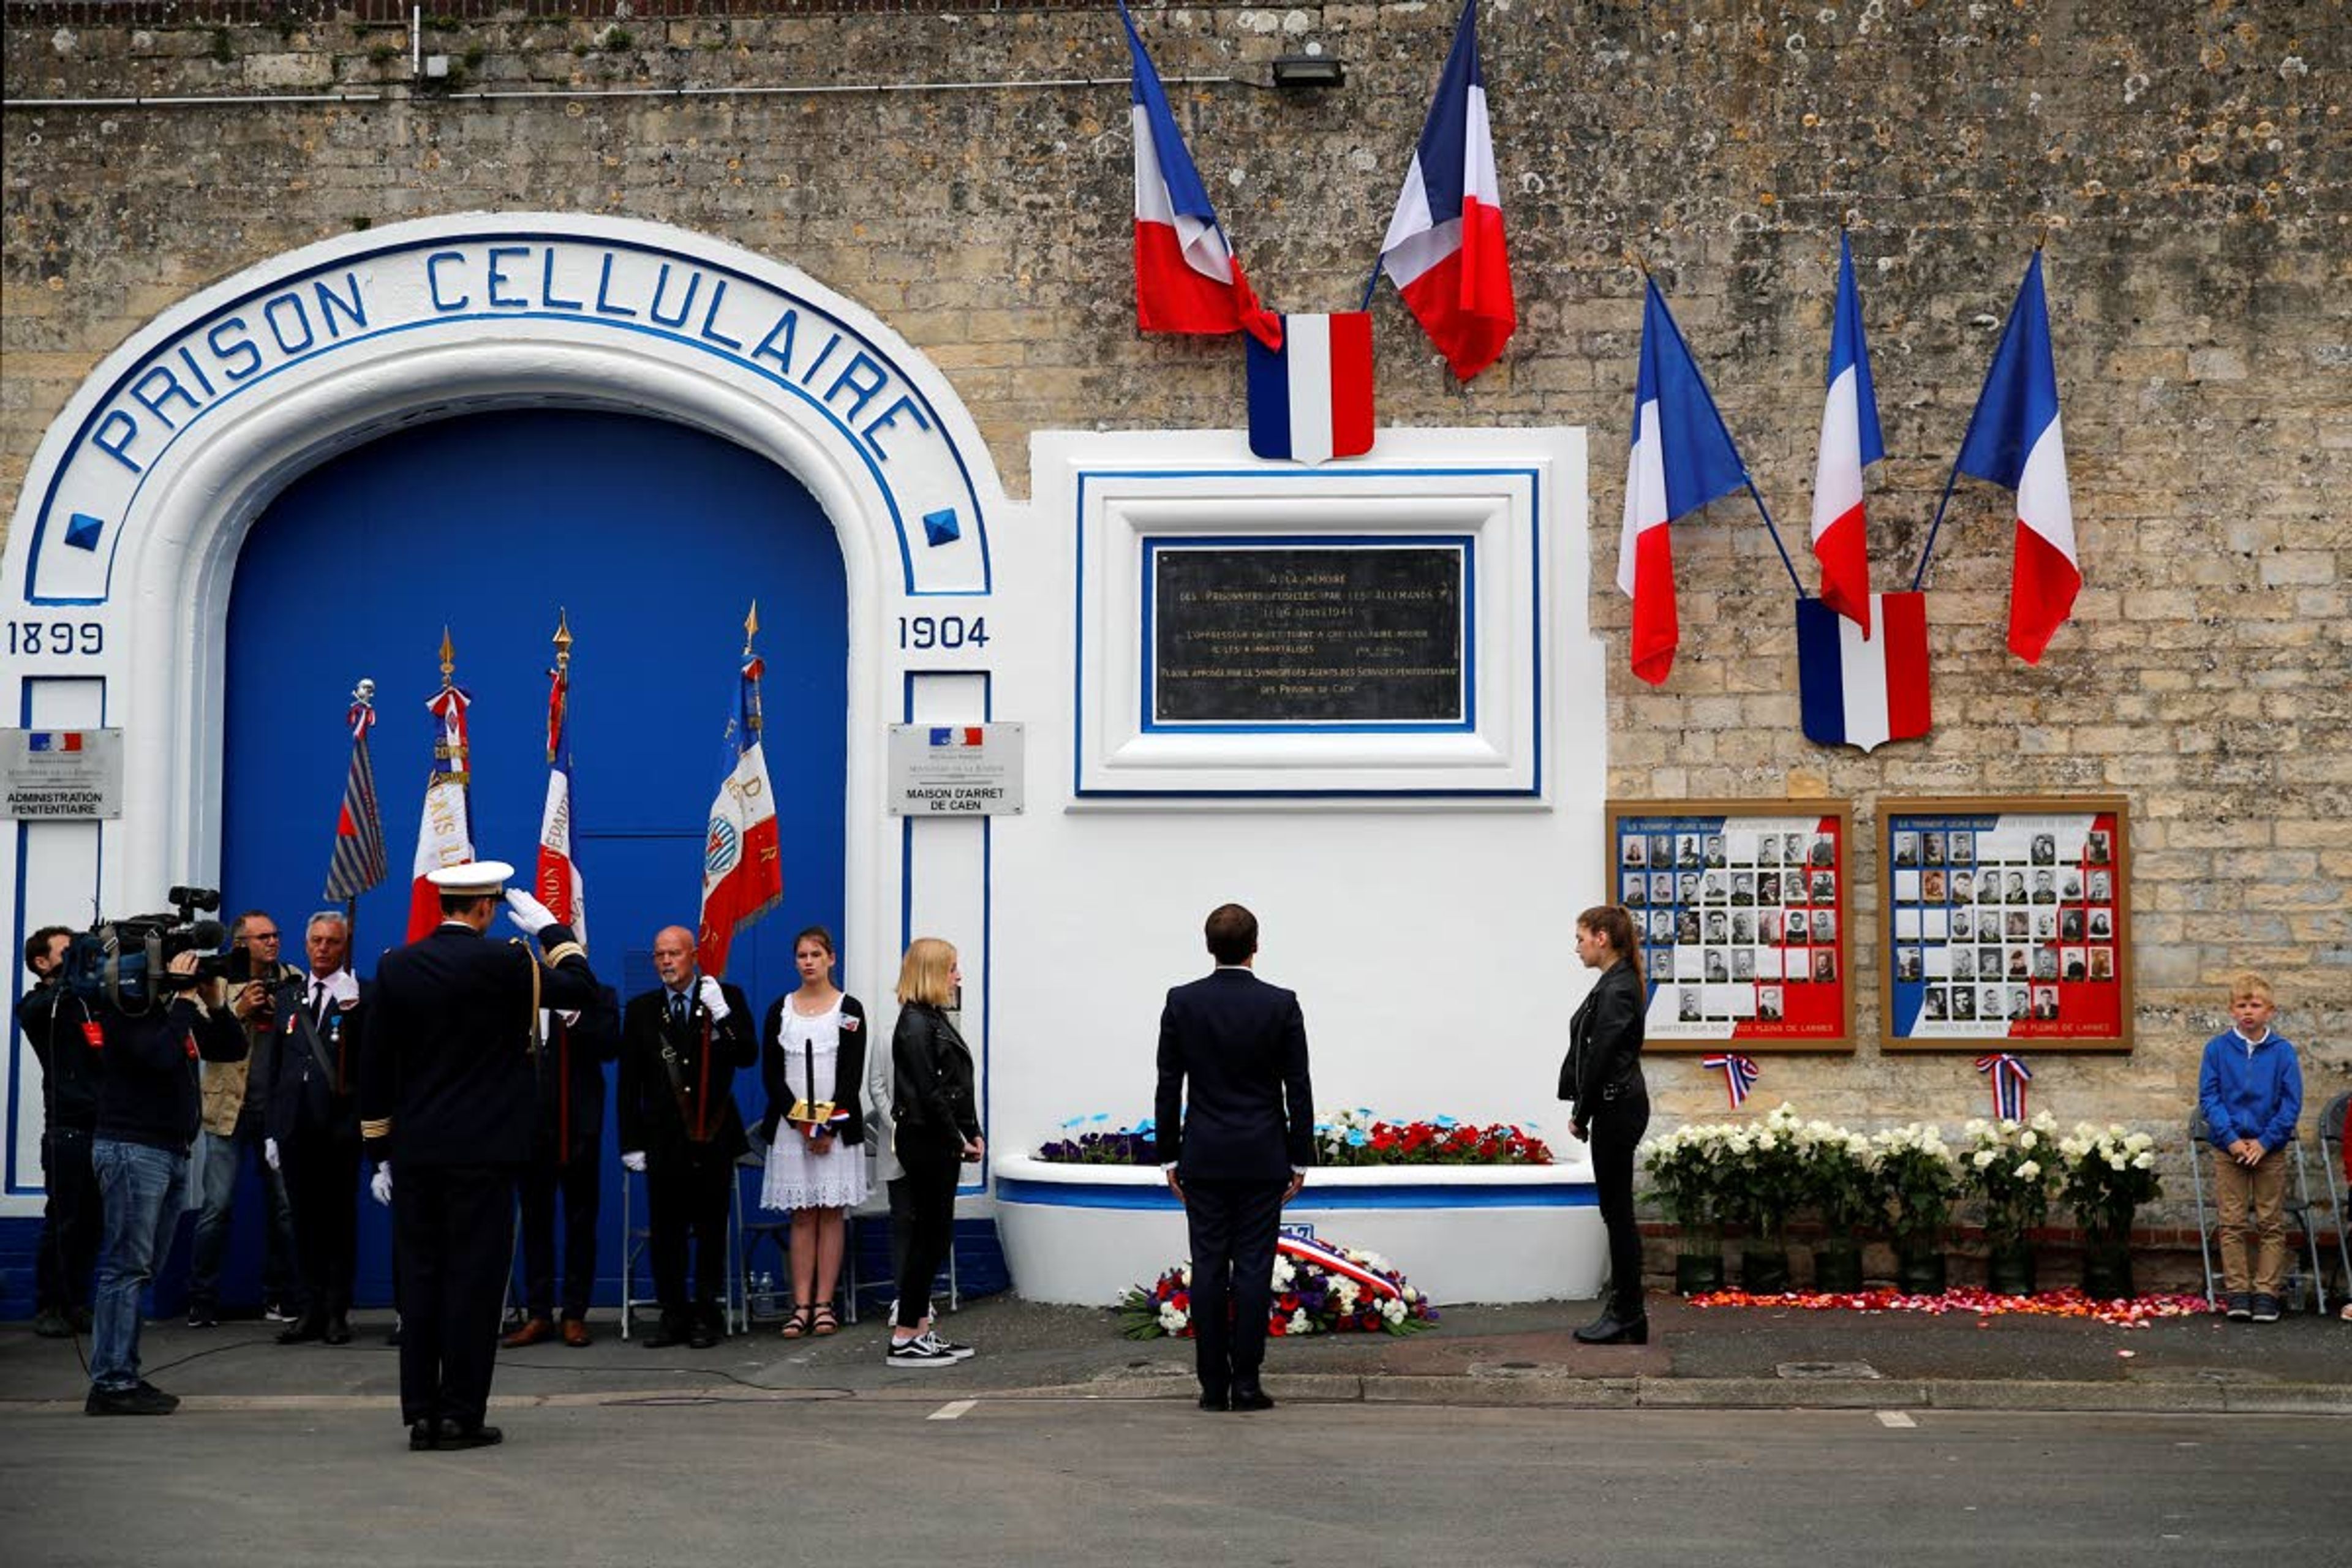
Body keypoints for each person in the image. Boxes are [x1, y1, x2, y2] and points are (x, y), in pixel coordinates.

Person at [360, 862, 600, 1451]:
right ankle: (461, 1415)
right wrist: (552, 931)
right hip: (486, 1152)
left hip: (417, 1151)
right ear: (487, 908)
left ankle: (421, 1413)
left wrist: (379, 1150)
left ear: (443, 904)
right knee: (474, 1281)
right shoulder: (507, 962)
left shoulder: (396, 966)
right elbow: (582, 990)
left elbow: (374, 1065)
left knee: (419, 1282)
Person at [1152, 906, 1313, 1410]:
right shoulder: (1280, 1004)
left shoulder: (1182, 1002)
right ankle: (1245, 1381)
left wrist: (1168, 1157)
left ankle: (1211, 1385)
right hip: (1262, 1157)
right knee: (1252, 1269)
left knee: (1208, 1267)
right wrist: (1301, 1158)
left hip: (1203, 1156)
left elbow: (1168, 1084)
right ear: (1256, 945)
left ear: (1208, 945)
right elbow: (1298, 1086)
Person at [88, 948, 247, 1414]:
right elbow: (158, 1056)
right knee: (126, 1268)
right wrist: (181, 999)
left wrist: (215, 1005)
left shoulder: (170, 1012)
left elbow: (230, 1050)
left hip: (169, 1151)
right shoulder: (125, 1009)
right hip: (132, 1149)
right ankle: (112, 1384)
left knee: (143, 1269)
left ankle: (123, 1373)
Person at [617, 925, 755, 1351]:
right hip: (664, 1139)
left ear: (693, 956)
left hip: (712, 1133)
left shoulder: (724, 998)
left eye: (674, 954)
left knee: (711, 1229)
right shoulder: (642, 1009)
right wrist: (631, 1142)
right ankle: (673, 1313)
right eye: (659, 955)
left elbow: (747, 1055)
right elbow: (629, 1083)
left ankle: (706, 1313)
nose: (665, 962)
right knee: (667, 1231)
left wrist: (724, 1016)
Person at [186, 910, 302, 1329]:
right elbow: (201, 1042)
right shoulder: (213, 982)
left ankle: (281, 1295)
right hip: (227, 1111)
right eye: (263, 937)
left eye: (276, 935)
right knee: (217, 1207)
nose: (272, 943)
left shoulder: (292, 977)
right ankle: (202, 1299)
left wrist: (282, 1011)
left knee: (285, 1209)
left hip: (275, 1113)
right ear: (240, 944)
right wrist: (238, 1010)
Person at [757, 926, 869, 1339]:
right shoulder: (779, 1010)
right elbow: (772, 1074)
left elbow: (851, 1075)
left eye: (816, 955)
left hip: (835, 1127)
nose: (808, 962)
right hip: (793, 1130)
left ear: (831, 959)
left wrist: (825, 1126)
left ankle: (825, 1304)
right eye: (802, 955)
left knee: (830, 1212)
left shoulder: (849, 1008)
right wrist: (802, 1124)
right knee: (802, 1214)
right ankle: (800, 1305)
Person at [266, 911, 367, 1346]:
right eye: (317, 941)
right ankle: (309, 1307)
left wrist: (356, 1008)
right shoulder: (289, 998)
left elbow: (371, 1060)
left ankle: (337, 1312)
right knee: (302, 1222)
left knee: (338, 1223)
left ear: (345, 947)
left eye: (332, 942)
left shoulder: (360, 995)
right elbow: (273, 1065)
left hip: (339, 1129)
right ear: (305, 945)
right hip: (295, 1127)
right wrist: (272, 1127)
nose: (323, 949)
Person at [503, 981, 621, 1349]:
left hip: (579, 1128)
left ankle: (574, 1314)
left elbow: (609, 1046)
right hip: (530, 1129)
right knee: (536, 1222)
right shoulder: (520, 992)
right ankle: (539, 1314)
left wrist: (575, 1017)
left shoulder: (597, 995)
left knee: (580, 1223)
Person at [885, 937, 983, 1369]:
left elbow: (958, 1085)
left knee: (935, 1233)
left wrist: (971, 1130)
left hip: (936, 1138)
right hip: (926, 1139)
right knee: (930, 1234)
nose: (958, 976)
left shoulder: (932, 1019)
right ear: (933, 973)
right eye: (952, 968)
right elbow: (929, 1092)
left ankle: (918, 1328)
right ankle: (906, 1334)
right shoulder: (915, 1025)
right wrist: (956, 1138)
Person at [1561, 905, 1648, 1346]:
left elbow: (1601, 1056)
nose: (1576, 947)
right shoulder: (1615, 983)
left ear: (1601, 938)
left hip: (1617, 1107)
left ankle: (1628, 1312)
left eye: (1580, 938)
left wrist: (1582, 1112)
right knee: (1615, 1213)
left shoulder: (1618, 988)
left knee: (1617, 1214)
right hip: (1616, 1105)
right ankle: (1628, 1313)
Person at [2196, 972, 2304, 1324]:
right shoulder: (2216, 1050)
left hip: (2268, 1149)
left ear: (2269, 1011)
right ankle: (2238, 1292)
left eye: (2255, 1005)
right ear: (2231, 1009)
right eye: (2241, 1005)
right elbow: (2210, 1098)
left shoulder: (2283, 1052)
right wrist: (2230, 1139)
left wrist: (2265, 1141)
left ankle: (2266, 1293)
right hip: (2229, 1149)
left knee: (2271, 1222)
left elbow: (2291, 1102)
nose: (2248, 1011)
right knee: (2232, 1222)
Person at [17, 926, 101, 1340]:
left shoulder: (88, 1001)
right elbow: (38, 1011)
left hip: (103, 1128)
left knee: (93, 1223)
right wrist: (72, 976)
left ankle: (78, 1302)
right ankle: (50, 1304)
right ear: (42, 962)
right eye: (66, 953)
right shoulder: (39, 1005)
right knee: (64, 1222)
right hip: (66, 1132)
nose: (76, 958)